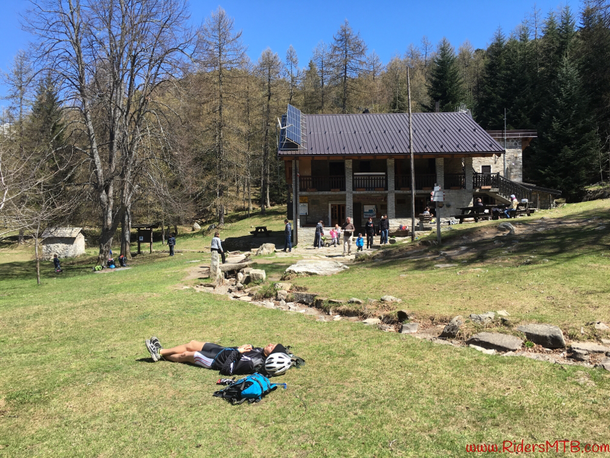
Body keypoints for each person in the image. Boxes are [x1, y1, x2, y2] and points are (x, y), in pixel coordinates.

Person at [145, 337, 289, 376]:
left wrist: (238, 352)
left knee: (186, 355)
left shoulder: (253, 363)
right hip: (221, 350)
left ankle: (159, 354)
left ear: (272, 355)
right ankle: (161, 351)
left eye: (272, 347)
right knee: (192, 343)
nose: (270, 344)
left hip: (215, 361)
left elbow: (226, 369)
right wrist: (247, 346)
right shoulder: (260, 352)